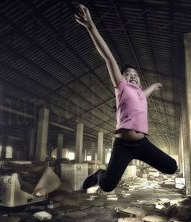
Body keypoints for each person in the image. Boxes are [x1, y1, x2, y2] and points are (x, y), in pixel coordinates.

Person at [75, 4, 177, 192]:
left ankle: (110, 172)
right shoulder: (122, 87)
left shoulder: (140, 95)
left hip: (143, 144)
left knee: (172, 167)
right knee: (107, 186)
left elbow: (144, 93)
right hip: (123, 146)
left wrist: (154, 86)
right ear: (123, 77)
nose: (133, 76)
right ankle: (98, 175)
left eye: (136, 75)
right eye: (128, 74)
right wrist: (90, 26)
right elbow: (108, 57)